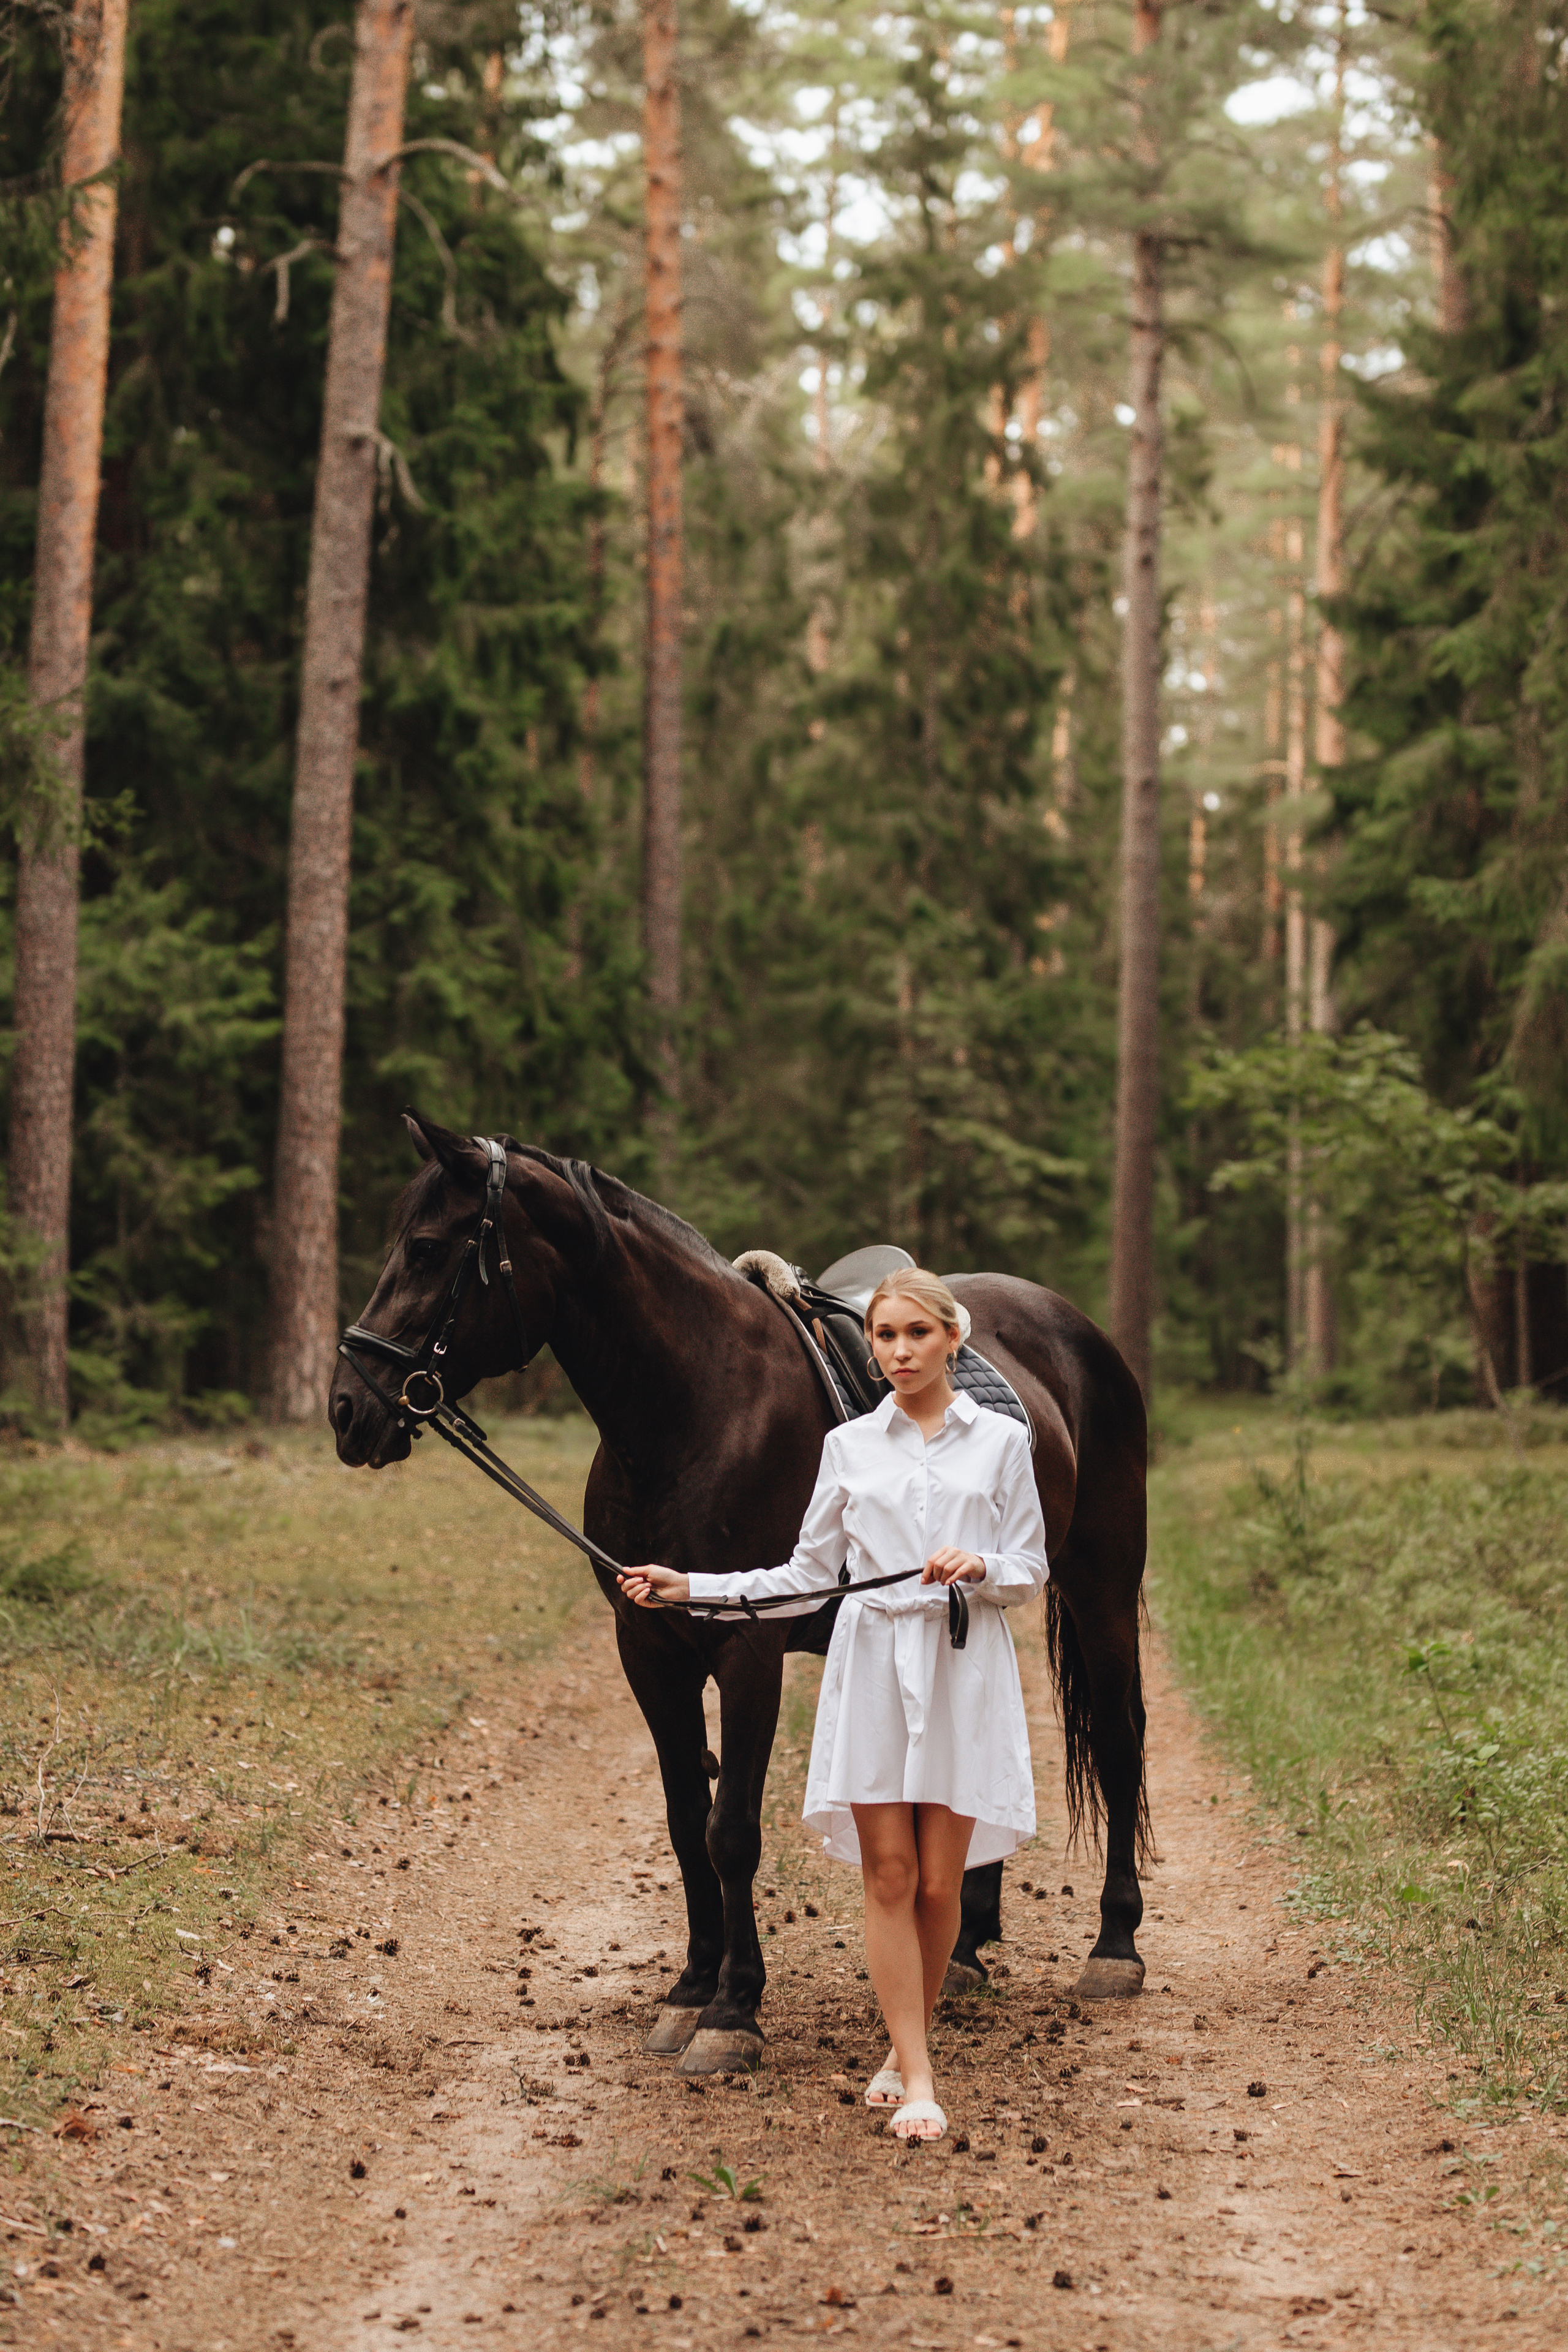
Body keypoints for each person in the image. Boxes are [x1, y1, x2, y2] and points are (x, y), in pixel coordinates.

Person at [618, 1267, 1047, 2144]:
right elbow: (803, 1580)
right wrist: (688, 1585)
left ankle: (906, 2042)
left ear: (951, 1339)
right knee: (889, 1876)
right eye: (885, 1336)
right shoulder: (849, 1447)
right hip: (875, 1663)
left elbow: (1031, 1568)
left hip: (964, 1663)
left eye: (916, 1335)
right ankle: (916, 2069)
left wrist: (983, 1567)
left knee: (938, 1881)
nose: (898, 1352)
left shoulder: (1001, 1441)